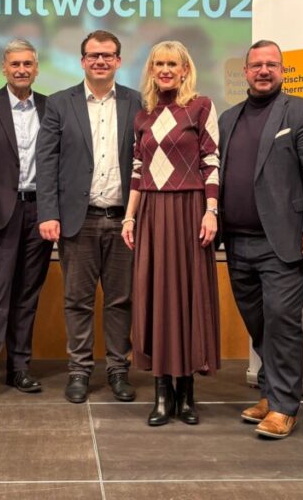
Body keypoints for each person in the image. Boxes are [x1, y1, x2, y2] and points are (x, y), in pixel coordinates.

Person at [218, 39, 303, 439]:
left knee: (282, 319)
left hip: (284, 241)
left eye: (271, 64)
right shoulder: (227, 118)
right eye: (256, 65)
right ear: (245, 72)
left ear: (283, 70)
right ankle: (271, 392)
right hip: (236, 242)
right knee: (259, 323)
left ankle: (284, 407)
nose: (264, 71)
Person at [36, 30, 141, 404]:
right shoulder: (59, 103)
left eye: (107, 55)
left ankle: (118, 369)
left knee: (121, 300)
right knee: (77, 300)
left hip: (125, 221)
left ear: (118, 61)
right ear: (82, 61)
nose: (100, 61)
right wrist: (48, 212)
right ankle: (79, 371)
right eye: (93, 55)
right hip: (77, 220)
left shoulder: (136, 102)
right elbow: (46, 162)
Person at [120, 41, 220, 426]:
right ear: (151, 69)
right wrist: (129, 218)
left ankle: (186, 392)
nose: (165, 70)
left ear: (184, 69)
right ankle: (162, 392)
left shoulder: (201, 106)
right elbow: (137, 170)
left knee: (188, 295)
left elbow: (211, 162)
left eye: (172, 64)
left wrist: (211, 211)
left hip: (190, 210)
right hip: (151, 211)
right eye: (158, 63)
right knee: (156, 297)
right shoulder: (143, 114)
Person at [0, 39, 53, 407]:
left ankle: (19, 368)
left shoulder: (51, 107)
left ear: (36, 68)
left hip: (40, 214)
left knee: (27, 295)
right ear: (4, 68)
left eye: (27, 64)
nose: (21, 70)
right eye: (15, 64)